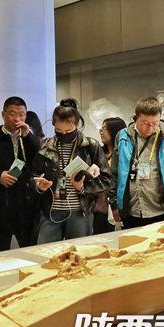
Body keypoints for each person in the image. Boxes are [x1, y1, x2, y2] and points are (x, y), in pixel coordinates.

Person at [30, 99, 111, 243]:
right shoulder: (45, 146)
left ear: (77, 125)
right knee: (46, 252)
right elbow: (32, 175)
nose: (64, 134)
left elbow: (107, 180)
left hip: (80, 211)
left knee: (79, 252)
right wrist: (38, 185)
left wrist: (83, 188)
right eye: (59, 131)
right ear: (54, 125)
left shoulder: (90, 146)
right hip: (50, 211)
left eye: (68, 131)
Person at [110, 97, 164, 228]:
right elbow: (114, 173)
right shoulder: (122, 136)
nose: (150, 127)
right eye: (145, 123)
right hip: (131, 210)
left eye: (155, 123)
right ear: (135, 118)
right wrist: (115, 205)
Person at [0, 97, 41, 252]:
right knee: (0, 254)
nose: (17, 119)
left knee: (31, 253)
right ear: (3, 114)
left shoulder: (28, 139)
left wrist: (28, 136)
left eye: (21, 114)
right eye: (12, 114)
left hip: (25, 207)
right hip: (0, 206)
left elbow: (39, 162)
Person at [94, 117, 127, 233]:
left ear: (115, 131)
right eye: (101, 129)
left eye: (105, 129)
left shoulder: (124, 154)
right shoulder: (98, 152)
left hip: (119, 203)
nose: (101, 132)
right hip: (99, 205)